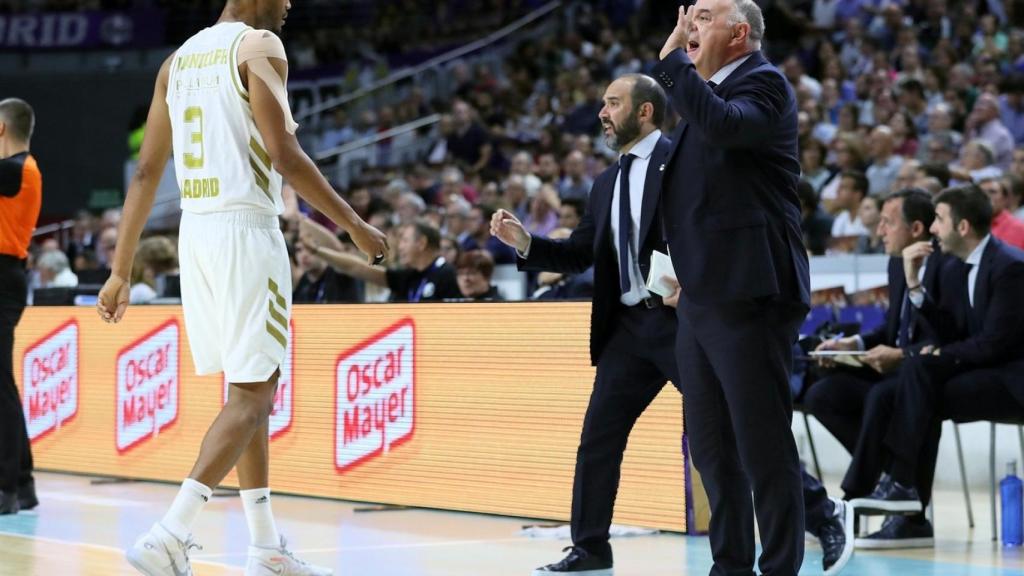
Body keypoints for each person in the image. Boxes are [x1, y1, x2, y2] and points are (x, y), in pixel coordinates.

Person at [96, 2, 388, 575]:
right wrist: (353, 224)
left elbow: (146, 172)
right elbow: (284, 153)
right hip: (245, 230)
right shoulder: (258, 45)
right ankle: (171, 531)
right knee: (253, 396)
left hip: (195, 233)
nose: (288, 5)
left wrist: (119, 269)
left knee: (247, 392)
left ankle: (265, 546)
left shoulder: (176, 61)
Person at [492, 73, 681, 575]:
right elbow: (579, 254)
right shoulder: (606, 183)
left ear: (644, 112)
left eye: (613, 103)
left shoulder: (681, 160)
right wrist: (527, 243)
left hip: (680, 320)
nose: (602, 112)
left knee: (736, 422)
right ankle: (590, 546)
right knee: (598, 438)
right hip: (627, 329)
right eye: (602, 103)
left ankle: (818, 509)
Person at [654, 3, 811, 574]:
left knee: (763, 445)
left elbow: (726, 126)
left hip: (751, 291)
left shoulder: (764, 83)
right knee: (714, 452)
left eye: (703, 17)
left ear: (739, 32)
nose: (690, 26)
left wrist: (672, 64)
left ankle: (779, 569)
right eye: (687, 17)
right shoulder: (702, 98)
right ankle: (730, 567)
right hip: (701, 295)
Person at [852, 185, 1024, 544]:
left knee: (919, 383)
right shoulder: (965, 265)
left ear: (962, 227)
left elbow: (995, 344)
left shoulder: (1009, 267)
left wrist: (939, 355)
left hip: (1010, 379)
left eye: (940, 220)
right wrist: (915, 285)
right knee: (901, 390)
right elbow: (950, 329)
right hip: (981, 369)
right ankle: (897, 498)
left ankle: (900, 493)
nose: (932, 228)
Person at [805, 189, 953, 548]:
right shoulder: (894, 261)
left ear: (917, 228)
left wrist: (899, 355)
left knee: (881, 398)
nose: (879, 230)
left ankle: (856, 496)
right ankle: (886, 479)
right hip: (896, 367)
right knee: (823, 394)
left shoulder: (945, 265)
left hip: (927, 369)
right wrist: (851, 345)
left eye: (888, 222)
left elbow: (946, 334)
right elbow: (890, 326)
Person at [0, 97, 41, 515]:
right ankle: (23, 485)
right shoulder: (16, 171)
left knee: (0, 388)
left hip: (3, 277)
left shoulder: (16, 170)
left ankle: (5, 487)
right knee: (3, 385)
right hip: (7, 276)